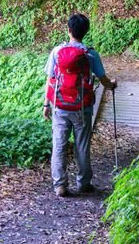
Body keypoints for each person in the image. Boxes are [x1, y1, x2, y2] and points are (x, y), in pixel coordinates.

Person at [43, 13, 116, 197]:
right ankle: (83, 183)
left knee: (59, 144)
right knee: (81, 145)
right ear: (86, 32)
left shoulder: (57, 51)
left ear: (68, 30)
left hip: (60, 106)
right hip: (82, 108)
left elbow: (50, 79)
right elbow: (103, 79)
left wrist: (46, 104)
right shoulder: (90, 54)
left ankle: (60, 185)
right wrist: (112, 85)